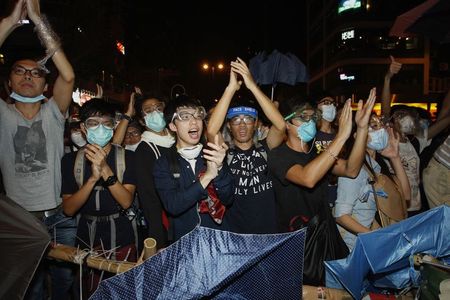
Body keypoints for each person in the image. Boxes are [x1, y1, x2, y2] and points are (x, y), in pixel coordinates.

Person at [0, 1, 75, 299]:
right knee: (30, 288)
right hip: (20, 217)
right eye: (20, 71)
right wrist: (9, 22)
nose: (28, 76)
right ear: (9, 83)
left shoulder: (53, 112)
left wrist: (37, 20)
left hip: (59, 215)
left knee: (64, 285)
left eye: (36, 72)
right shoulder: (3, 114)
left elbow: (67, 76)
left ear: (46, 85)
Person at [61, 98, 137, 296]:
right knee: (89, 290)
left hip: (121, 232)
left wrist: (105, 170)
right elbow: (68, 209)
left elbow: (126, 201)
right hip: (87, 234)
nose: (100, 129)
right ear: (84, 128)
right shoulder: (71, 160)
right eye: (93, 124)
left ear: (113, 127)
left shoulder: (127, 158)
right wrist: (92, 180)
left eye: (106, 123)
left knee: (123, 289)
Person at [206, 57, 285, 234]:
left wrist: (251, 85)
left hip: (269, 233)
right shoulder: (224, 152)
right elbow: (211, 131)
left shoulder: (266, 147)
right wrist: (230, 89)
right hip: (236, 235)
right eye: (236, 120)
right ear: (228, 125)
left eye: (248, 119)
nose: (242, 125)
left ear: (256, 123)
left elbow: (280, 125)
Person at [153, 96, 234, 241]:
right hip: (186, 245)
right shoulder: (163, 163)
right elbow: (173, 205)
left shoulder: (212, 153)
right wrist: (207, 176)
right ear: (173, 126)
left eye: (198, 116)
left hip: (220, 241)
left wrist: (220, 167)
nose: (194, 121)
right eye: (185, 117)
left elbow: (228, 199)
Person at [381, 56, 450, 216]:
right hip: (395, 206)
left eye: (407, 114)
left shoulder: (417, 142)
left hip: (415, 207)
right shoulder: (387, 140)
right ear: (391, 121)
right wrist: (387, 78)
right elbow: (385, 111)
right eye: (398, 114)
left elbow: (444, 121)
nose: (404, 117)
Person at [335, 116, 410, 251]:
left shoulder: (377, 164)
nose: (381, 129)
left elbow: (404, 196)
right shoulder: (354, 169)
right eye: (374, 126)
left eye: (381, 124)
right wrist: (376, 237)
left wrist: (395, 157)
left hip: (371, 242)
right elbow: (341, 216)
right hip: (354, 246)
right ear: (358, 135)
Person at [314, 93, 339, 208]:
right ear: (317, 106)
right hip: (319, 189)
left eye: (333, 104)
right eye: (327, 103)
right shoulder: (312, 134)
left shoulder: (340, 134)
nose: (331, 106)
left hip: (339, 188)